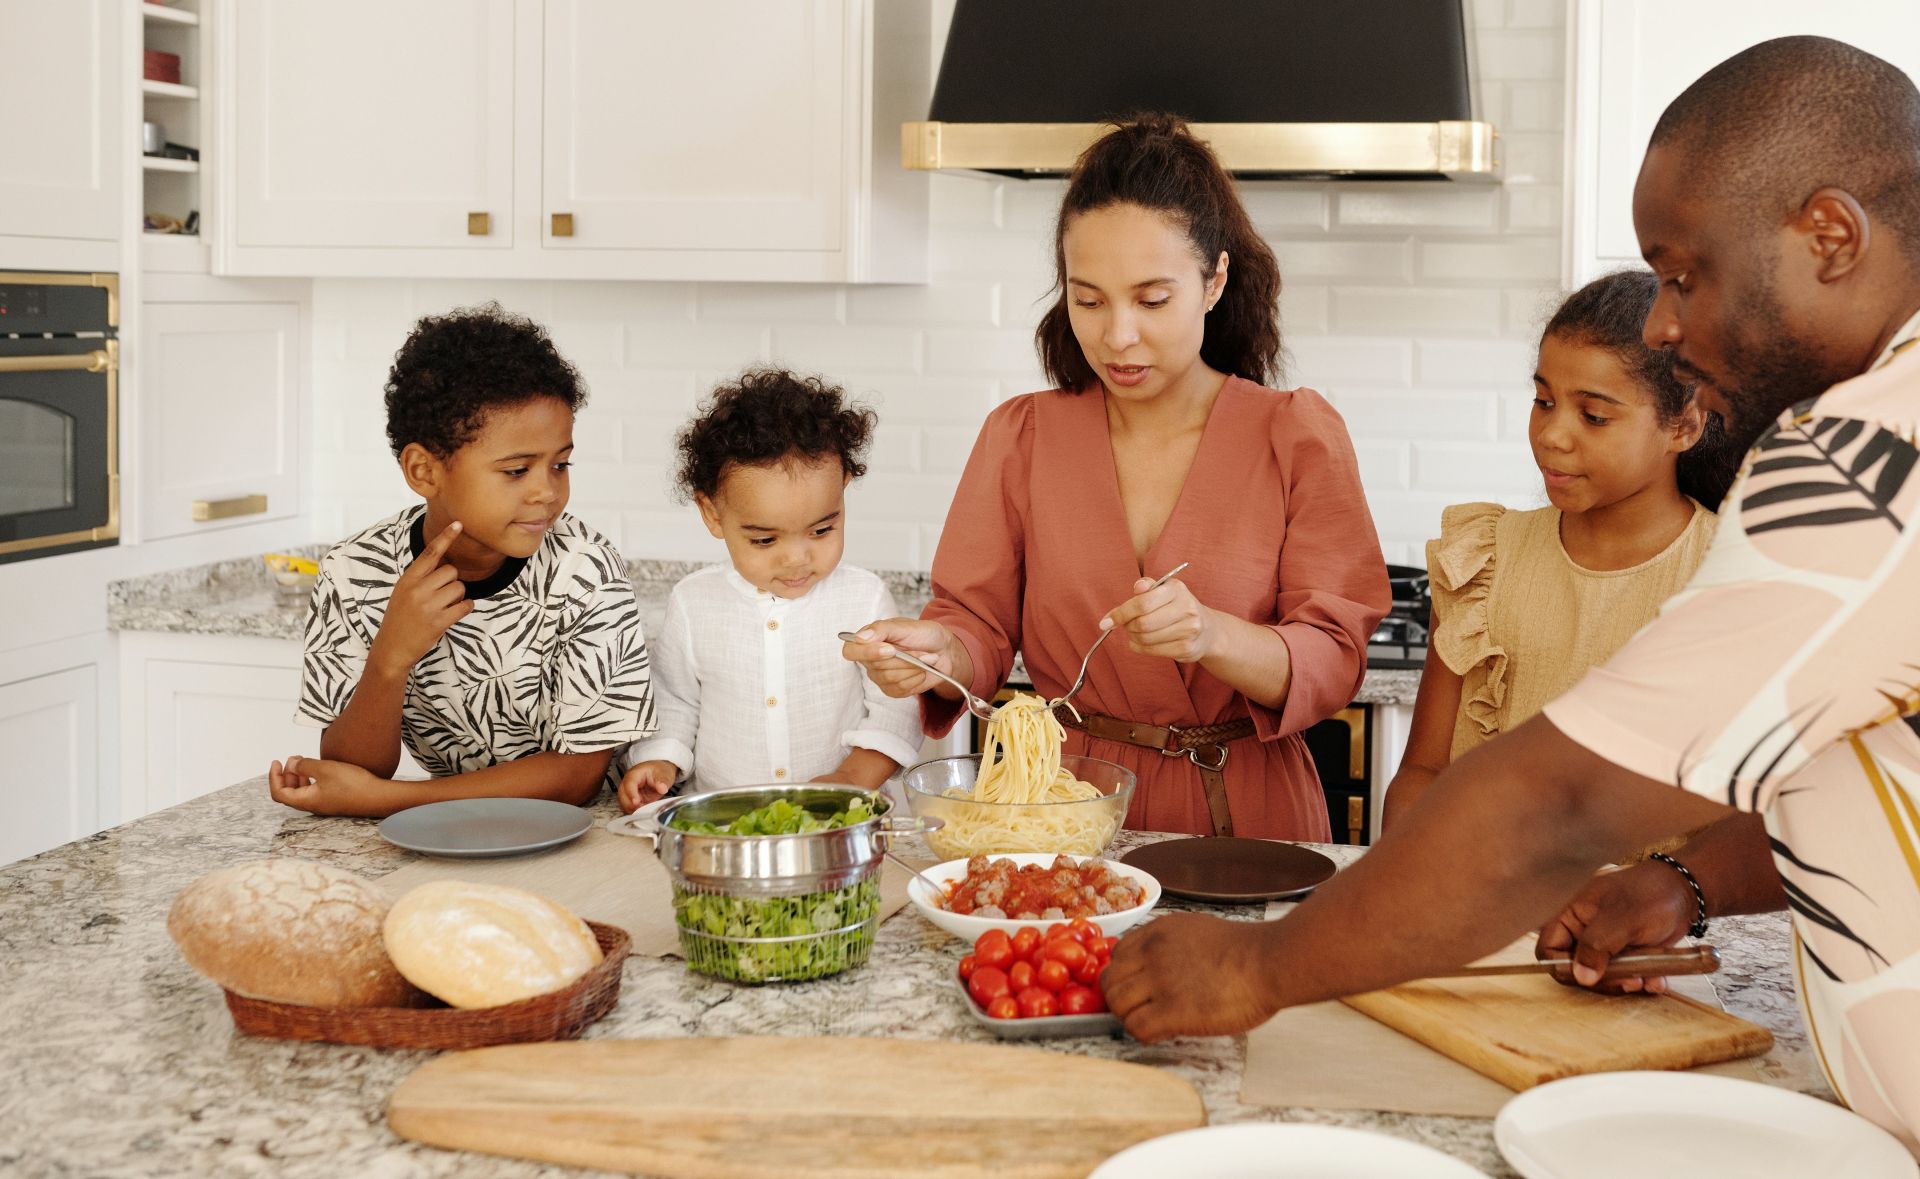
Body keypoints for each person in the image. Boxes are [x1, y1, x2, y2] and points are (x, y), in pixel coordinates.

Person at [1102, 36, 1920, 1155]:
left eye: (1684, 275)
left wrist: (1258, 965)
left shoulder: (1863, 459)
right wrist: (1687, 878)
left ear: (1829, 235)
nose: (1668, 323)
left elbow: (1562, 805)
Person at [843, 114, 1389, 840]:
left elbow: (1336, 659)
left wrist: (1211, 636)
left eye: (1152, 299)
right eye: (1089, 299)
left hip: (1248, 817)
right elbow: (973, 623)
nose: (1116, 335)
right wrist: (938, 655)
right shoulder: (1022, 435)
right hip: (1062, 806)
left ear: (1215, 280)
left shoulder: (1296, 435)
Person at [1380, 269, 1736, 830]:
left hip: (1652, 915)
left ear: (1684, 426)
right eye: (1544, 401)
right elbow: (1424, 773)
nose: (1552, 434)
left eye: (1593, 415)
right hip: (1482, 902)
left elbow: (1740, 819)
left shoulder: (1734, 575)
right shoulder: (1486, 558)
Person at [271, 304, 655, 817]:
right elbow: (350, 769)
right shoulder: (352, 573)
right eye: (517, 470)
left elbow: (578, 778)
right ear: (424, 470)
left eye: (560, 464)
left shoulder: (585, 569)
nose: (547, 491)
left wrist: (392, 801)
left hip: (588, 832)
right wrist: (390, 656)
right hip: (442, 835)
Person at [615, 369, 921, 811]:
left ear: (843, 491)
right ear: (712, 514)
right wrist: (661, 762)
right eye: (765, 540)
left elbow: (897, 707)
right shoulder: (694, 602)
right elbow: (675, 702)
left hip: (840, 822)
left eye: (822, 529)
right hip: (724, 823)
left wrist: (850, 778)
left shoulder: (864, 598)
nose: (797, 559)